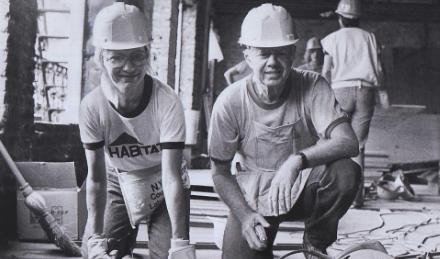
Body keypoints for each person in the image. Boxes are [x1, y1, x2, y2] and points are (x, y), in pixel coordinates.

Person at [208, 3, 361, 259]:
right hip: (254, 197)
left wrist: (296, 161)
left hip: (303, 188)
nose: (273, 62)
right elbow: (219, 172)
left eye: (281, 53)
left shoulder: (312, 85)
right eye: (264, 53)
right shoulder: (230, 101)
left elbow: (348, 141)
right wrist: (245, 217)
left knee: (345, 172)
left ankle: (314, 246)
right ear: (247, 57)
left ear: (293, 53)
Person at [78, 3, 195, 259]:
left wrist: (180, 242)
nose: (128, 67)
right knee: (101, 252)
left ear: (148, 55)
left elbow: (172, 176)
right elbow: (96, 179)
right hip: (119, 178)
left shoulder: (167, 102)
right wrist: (96, 238)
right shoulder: (92, 107)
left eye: (136, 56)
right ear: (101, 59)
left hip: (164, 180)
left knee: (169, 255)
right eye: (116, 57)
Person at [321, 0, 384, 207]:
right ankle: (356, 199)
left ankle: (333, 195)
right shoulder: (370, 38)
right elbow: (380, 70)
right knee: (359, 145)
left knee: (335, 141)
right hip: (366, 90)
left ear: (340, 18)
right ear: (358, 18)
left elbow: (325, 72)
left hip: (340, 89)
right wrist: (383, 93)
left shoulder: (331, 39)